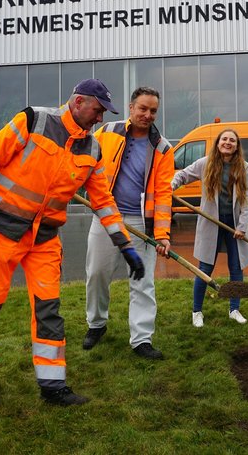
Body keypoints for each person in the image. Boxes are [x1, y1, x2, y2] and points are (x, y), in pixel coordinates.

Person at [0, 79, 144, 408]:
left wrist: (125, 245)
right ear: (78, 102)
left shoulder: (93, 149)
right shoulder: (33, 120)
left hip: (44, 240)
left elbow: (104, 202)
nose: (100, 118)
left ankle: (53, 386)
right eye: (97, 110)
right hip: (2, 231)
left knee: (48, 311)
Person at [83, 87, 174, 359]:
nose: (148, 115)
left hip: (141, 223)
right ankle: (96, 324)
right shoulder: (106, 131)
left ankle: (141, 339)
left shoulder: (162, 147)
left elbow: (163, 195)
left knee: (143, 281)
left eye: (153, 110)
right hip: (105, 216)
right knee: (97, 273)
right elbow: (85, 158)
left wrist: (162, 234)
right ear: (131, 107)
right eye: (143, 108)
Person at [171, 128, 248, 327]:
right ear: (218, 143)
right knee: (204, 268)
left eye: (232, 140)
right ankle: (196, 312)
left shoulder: (244, 167)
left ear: (236, 146)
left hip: (234, 225)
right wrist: (171, 186)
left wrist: (242, 226)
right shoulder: (205, 163)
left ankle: (234, 309)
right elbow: (183, 175)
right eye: (224, 139)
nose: (227, 142)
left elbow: (247, 199)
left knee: (236, 267)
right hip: (211, 223)